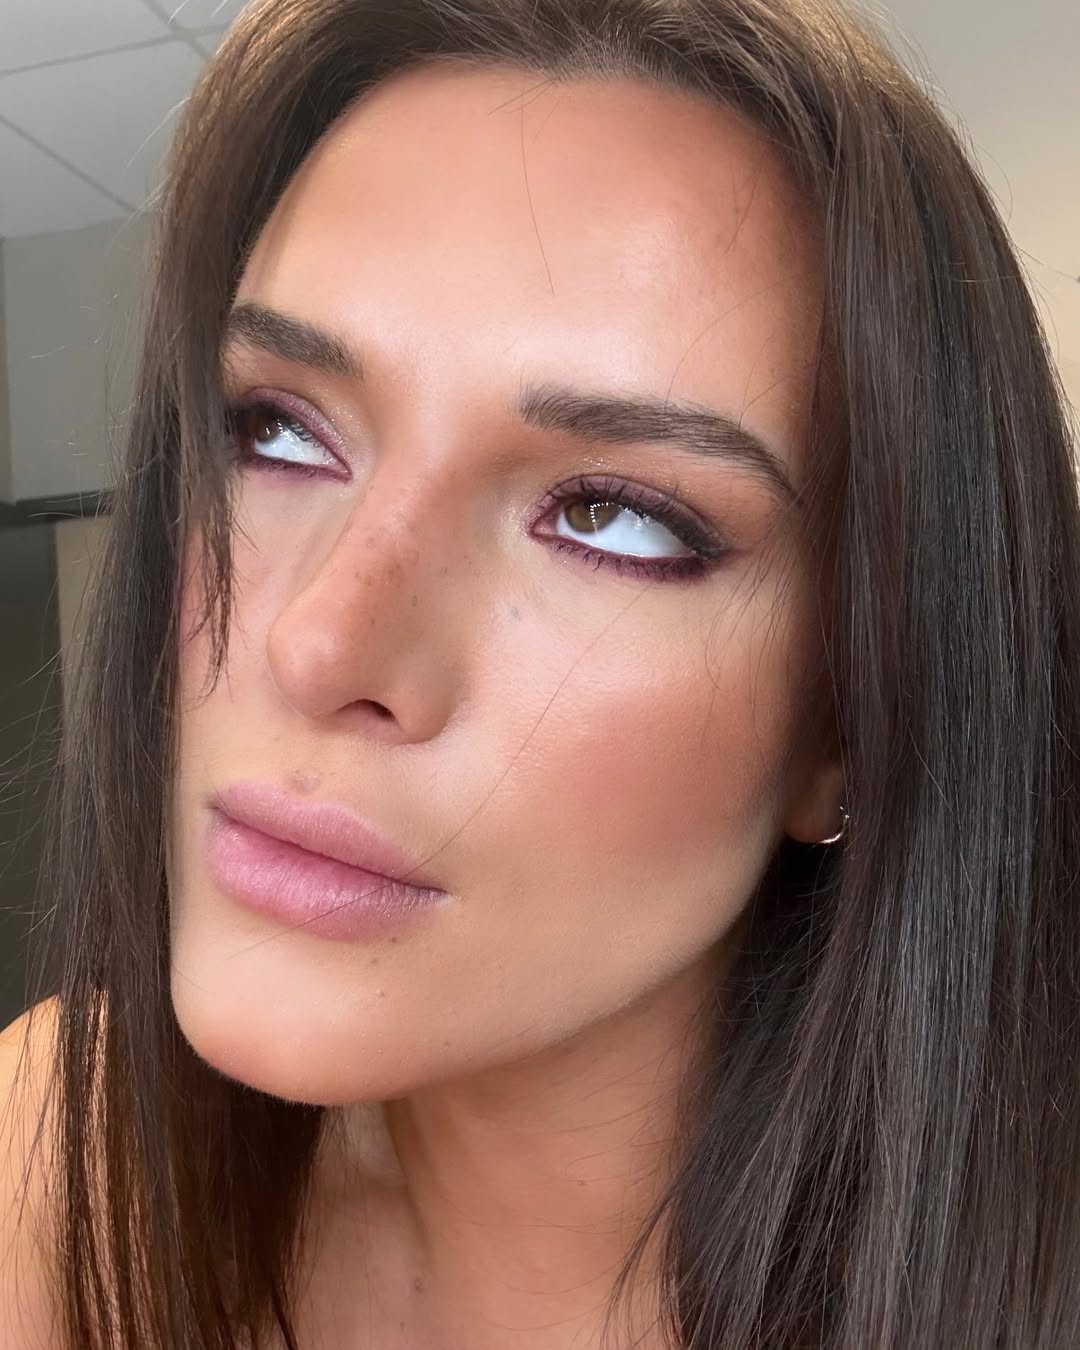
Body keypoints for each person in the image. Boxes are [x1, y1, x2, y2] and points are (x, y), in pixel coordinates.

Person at [3, 0, 1080, 1345]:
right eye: (275, 431)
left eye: (612, 516)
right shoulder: (55, 1144)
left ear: (850, 721)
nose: (318, 645)